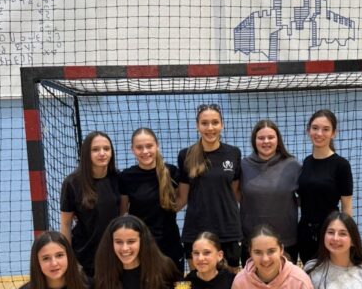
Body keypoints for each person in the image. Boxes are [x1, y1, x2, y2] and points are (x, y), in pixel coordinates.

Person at [177, 104, 242, 271]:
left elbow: (234, 192)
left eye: (215, 122)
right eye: (204, 123)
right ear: (197, 126)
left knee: (230, 283)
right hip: (196, 229)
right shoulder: (186, 155)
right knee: (198, 282)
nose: (210, 128)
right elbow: (182, 197)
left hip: (228, 229)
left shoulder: (233, 153)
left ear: (222, 125)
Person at [119, 128, 184, 271]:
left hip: (170, 244)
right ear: (132, 150)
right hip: (141, 245)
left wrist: (170, 208)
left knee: (175, 285)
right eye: (139, 147)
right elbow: (123, 213)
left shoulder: (171, 172)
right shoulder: (126, 176)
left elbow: (182, 198)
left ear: (157, 146)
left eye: (149, 146)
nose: (145, 151)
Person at [239, 119, 301, 264]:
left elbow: (305, 197)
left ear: (278, 140)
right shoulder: (242, 165)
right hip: (252, 241)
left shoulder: (292, 165)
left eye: (271, 137)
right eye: (261, 138)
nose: (266, 141)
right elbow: (235, 195)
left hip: (286, 240)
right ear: (254, 141)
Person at [60, 131, 120, 278]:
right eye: (95, 149)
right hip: (85, 257)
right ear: (86, 153)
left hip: (115, 256)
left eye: (106, 149)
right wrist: (69, 258)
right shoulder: (72, 183)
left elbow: (123, 216)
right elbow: (66, 224)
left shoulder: (118, 178)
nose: (102, 153)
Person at [297, 109, 353, 263]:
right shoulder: (306, 162)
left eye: (326, 129)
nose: (319, 133)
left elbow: (347, 206)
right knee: (309, 274)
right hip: (305, 232)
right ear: (308, 130)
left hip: (330, 233)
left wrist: (346, 236)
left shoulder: (341, 165)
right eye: (315, 128)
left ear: (333, 133)